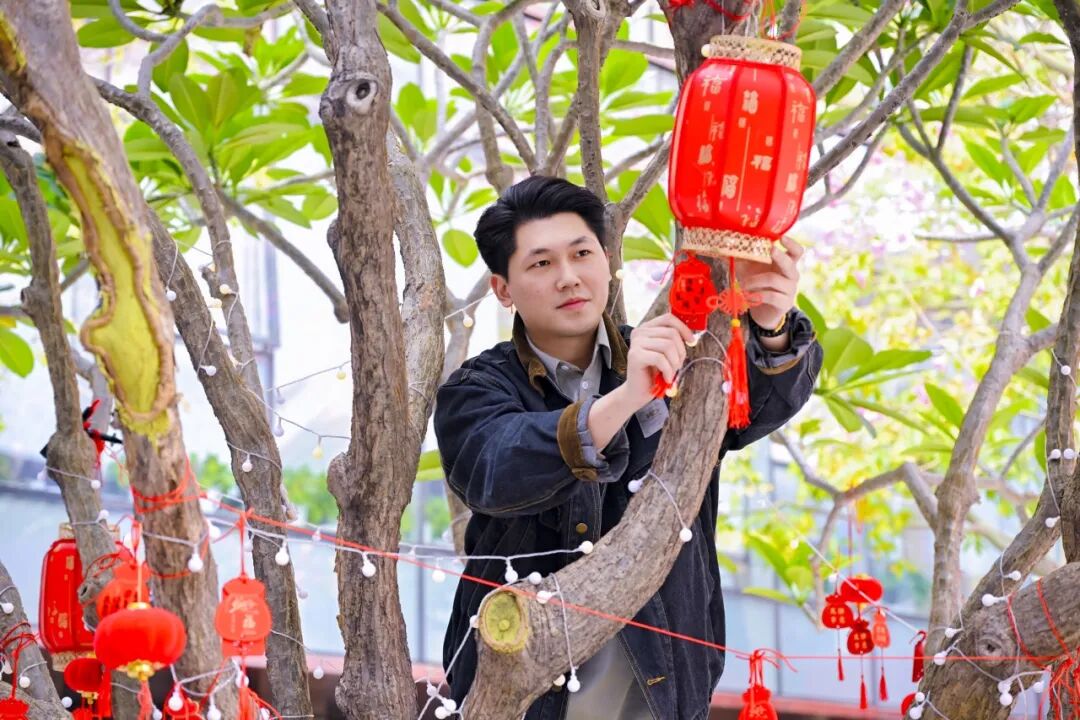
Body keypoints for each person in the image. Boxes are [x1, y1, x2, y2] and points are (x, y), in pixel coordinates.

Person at [434, 175, 822, 720]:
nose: (569, 277)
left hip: (665, 682)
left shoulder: (671, 351)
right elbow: (497, 468)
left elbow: (750, 407)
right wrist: (629, 396)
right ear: (503, 289)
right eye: (541, 263)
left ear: (608, 259)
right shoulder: (476, 389)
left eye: (582, 253)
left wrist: (770, 322)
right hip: (524, 692)